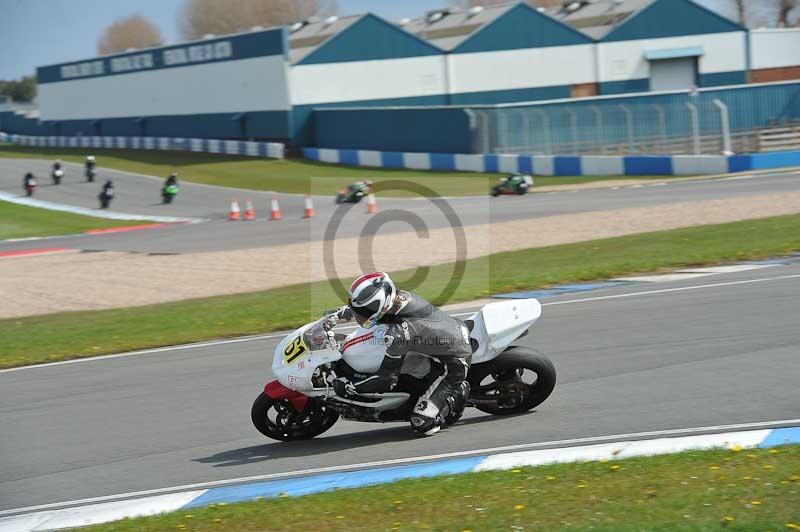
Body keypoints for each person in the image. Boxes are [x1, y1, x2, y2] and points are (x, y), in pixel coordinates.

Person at [330, 272, 472, 436]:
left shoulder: (399, 334)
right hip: (447, 333)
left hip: (455, 364)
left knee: (421, 423)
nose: (359, 314)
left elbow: (386, 380)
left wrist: (350, 387)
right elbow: (364, 309)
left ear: (380, 306)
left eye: (363, 310)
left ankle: (457, 394)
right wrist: (336, 315)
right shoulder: (399, 298)